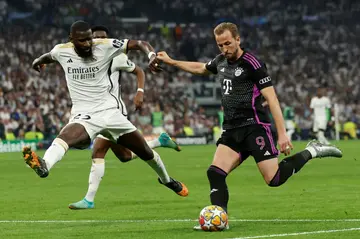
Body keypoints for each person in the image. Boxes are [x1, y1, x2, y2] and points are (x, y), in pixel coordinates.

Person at [156, 22, 342, 230]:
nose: (224, 49)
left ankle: (311, 151)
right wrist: (171, 62)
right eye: (220, 45)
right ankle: (221, 220)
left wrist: (282, 135)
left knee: (274, 179)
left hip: (255, 127)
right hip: (231, 129)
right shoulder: (221, 62)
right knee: (215, 172)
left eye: (227, 43)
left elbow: (271, 99)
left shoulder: (252, 64)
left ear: (238, 39)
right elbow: (201, 68)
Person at [23, 20, 188, 202]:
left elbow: (139, 43)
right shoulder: (62, 50)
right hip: (84, 114)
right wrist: (37, 61)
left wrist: (150, 55)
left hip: (111, 112)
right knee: (66, 136)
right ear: (71, 40)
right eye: (82, 41)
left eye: (89, 40)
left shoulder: (105, 46)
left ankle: (166, 180)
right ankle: (45, 165)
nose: (87, 44)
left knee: (144, 154)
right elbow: (49, 56)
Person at [68, 25, 182, 209]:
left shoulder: (115, 56)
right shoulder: (84, 59)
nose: (97, 42)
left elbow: (139, 71)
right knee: (125, 156)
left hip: (113, 112)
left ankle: (89, 199)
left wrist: (140, 91)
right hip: (97, 113)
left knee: (98, 151)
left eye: (102, 38)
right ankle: (159, 142)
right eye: (95, 38)